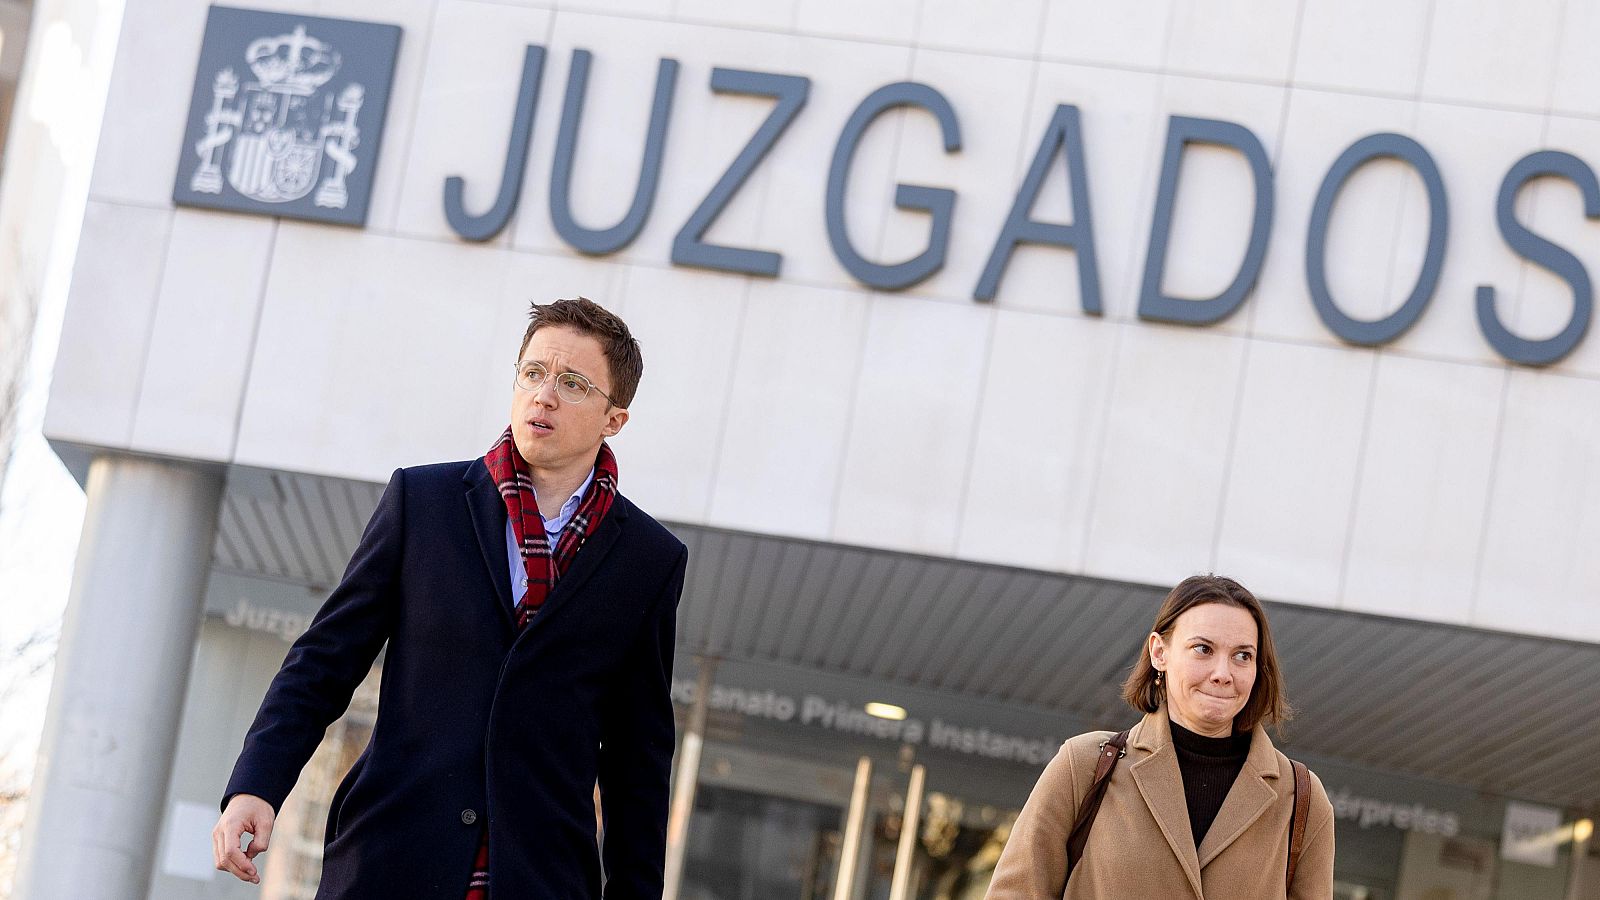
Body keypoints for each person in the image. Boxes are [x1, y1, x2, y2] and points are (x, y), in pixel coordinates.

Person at [211, 297, 688, 899]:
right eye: (533, 373)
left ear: (613, 418)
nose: (544, 395)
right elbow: (325, 660)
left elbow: (637, 757)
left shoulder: (648, 559)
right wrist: (258, 782)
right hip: (390, 860)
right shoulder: (424, 502)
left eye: (572, 383)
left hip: (539, 879)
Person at [986, 574, 1334, 899]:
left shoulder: (1302, 797)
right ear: (1159, 652)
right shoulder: (1084, 766)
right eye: (1203, 649)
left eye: (1243, 656)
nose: (1223, 673)